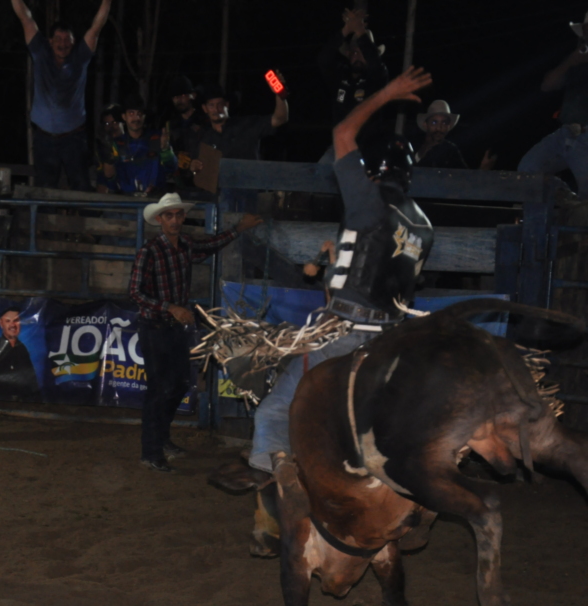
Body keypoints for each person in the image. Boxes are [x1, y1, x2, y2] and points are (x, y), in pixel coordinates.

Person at [245, 67, 435, 491]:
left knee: (275, 409)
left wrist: (387, 92)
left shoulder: (367, 198)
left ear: (373, 170)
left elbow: (343, 133)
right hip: (391, 339)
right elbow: (387, 278)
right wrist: (336, 266)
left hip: (345, 333)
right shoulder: (424, 227)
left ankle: (278, 477)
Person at [129, 193, 263, 472]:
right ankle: (151, 450)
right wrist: (171, 307)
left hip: (173, 327)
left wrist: (238, 228)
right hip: (154, 327)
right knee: (160, 389)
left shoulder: (185, 245)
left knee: (177, 384)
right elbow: (135, 292)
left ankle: (160, 441)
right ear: (160, 219)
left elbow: (211, 244)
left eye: (178, 215)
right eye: (169, 216)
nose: (175, 220)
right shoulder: (149, 251)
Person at [10, 0, 113, 190]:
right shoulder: (41, 52)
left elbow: (96, 27)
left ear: (73, 42)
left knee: (81, 186)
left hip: (74, 138)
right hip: (44, 138)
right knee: (44, 189)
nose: (63, 44)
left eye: (67, 39)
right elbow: (25, 17)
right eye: (58, 39)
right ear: (50, 41)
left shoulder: (80, 56)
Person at [517, 11, 588, 196]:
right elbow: (547, 86)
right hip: (566, 133)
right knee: (528, 171)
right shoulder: (577, 60)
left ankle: (574, 202)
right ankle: (566, 198)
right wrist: (571, 61)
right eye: (586, 30)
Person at [316, 7, 388, 162]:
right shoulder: (340, 77)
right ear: (348, 54)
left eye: (363, 53)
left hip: (368, 151)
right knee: (317, 172)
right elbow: (323, 60)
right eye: (355, 52)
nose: (358, 56)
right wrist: (346, 29)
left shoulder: (376, 79)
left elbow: (376, 65)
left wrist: (360, 30)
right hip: (339, 149)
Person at [189, 80, 289, 173]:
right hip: (221, 186)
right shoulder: (204, 139)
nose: (216, 109)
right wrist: (194, 167)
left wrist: (280, 94)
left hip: (251, 184)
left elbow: (280, 119)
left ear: (227, 105)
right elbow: (198, 169)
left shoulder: (246, 124)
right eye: (211, 105)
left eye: (220, 104)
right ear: (205, 108)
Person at [103, 93, 176, 196]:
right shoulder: (117, 143)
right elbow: (110, 177)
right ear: (124, 116)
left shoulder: (156, 138)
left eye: (139, 114)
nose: (136, 118)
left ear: (144, 117)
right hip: (126, 200)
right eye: (131, 113)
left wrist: (165, 149)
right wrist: (108, 158)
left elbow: (172, 167)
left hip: (155, 199)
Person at [0, 307, 42, 402]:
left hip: (23, 405)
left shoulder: (22, 349)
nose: (12, 325)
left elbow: (32, 381)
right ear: (1, 323)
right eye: (8, 321)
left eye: (16, 320)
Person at [415, 100, 496, 170]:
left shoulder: (451, 151)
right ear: (425, 124)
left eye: (444, 123)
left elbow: (464, 178)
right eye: (434, 122)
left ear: (448, 126)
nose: (439, 128)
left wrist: (482, 170)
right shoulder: (413, 144)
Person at [164, 75, 207, 190]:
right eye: (175, 97)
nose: (179, 100)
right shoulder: (171, 125)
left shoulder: (204, 122)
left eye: (183, 96)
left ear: (192, 96)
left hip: (201, 182)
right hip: (177, 182)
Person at [94, 103, 124, 193]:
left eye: (115, 123)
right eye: (107, 123)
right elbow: (101, 177)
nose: (111, 127)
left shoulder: (131, 143)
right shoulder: (102, 147)